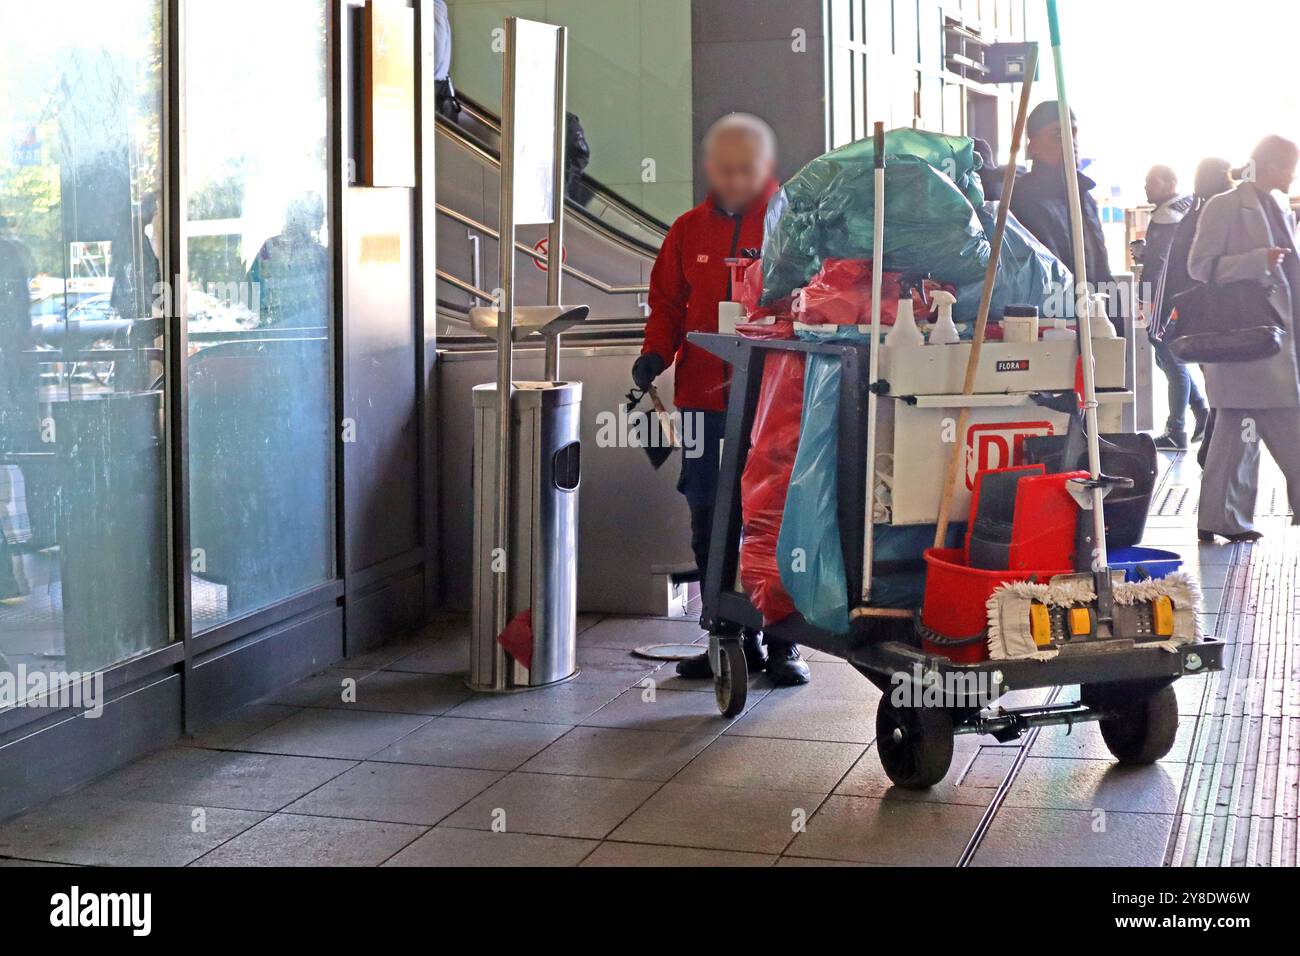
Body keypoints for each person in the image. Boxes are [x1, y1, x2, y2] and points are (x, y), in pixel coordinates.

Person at [632, 113, 808, 686]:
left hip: (774, 401)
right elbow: (667, 305)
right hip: (704, 400)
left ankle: (784, 641)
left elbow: (817, 300)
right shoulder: (687, 230)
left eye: (746, 171)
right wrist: (655, 355)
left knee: (773, 515)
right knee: (709, 510)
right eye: (725, 171)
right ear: (711, 169)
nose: (735, 182)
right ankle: (724, 635)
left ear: (767, 168)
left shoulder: (793, 224)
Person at [1190, 135, 1300, 543]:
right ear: (1269, 165)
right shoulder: (1225, 206)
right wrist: (1257, 262)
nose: (1292, 174)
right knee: (1289, 428)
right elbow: (1200, 266)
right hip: (1248, 343)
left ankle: (1220, 518)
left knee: (1236, 437)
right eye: (1288, 165)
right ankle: (1223, 517)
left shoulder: (1280, 209)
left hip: (1269, 345)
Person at [1154, 158, 1234, 462]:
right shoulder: (1223, 212)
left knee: (1211, 378)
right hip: (1223, 313)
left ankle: (1205, 437)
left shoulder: (1192, 215)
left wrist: (1169, 309)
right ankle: (1208, 439)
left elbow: (1174, 268)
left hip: (1196, 312)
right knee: (1221, 382)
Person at [1010, 101, 1115, 305]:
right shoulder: (1023, 199)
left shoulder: (1083, 196)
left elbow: (1101, 269)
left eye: (1073, 133)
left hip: (1094, 317)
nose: (1070, 142)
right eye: (1058, 135)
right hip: (1055, 322)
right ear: (1033, 146)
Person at [1137, 164, 1203, 449]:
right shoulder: (1188, 207)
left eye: (1152, 182)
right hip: (1187, 296)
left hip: (1168, 300)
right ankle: (1202, 412)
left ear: (1171, 182)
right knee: (1167, 359)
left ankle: (1177, 430)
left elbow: (1159, 264)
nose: (1146, 188)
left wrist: (1150, 301)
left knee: (1171, 359)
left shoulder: (1167, 216)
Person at [248, 192, 329, 329]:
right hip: (286, 330)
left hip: (302, 331)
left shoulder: (320, 254)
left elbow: (251, 295)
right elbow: (251, 293)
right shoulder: (269, 248)